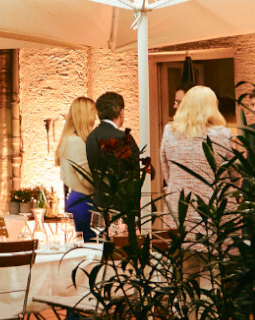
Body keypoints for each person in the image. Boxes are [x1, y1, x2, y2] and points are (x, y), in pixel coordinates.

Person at [158, 85, 235, 228]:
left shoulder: (169, 132)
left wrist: (180, 183)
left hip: (178, 207)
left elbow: (167, 170)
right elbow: (235, 174)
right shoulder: (223, 135)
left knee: (180, 248)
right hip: (215, 208)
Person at [84, 91, 141, 230]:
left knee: (102, 248)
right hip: (121, 211)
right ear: (121, 112)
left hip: (99, 207)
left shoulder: (91, 137)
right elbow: (137, 169)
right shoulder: (122, 138)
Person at [54, 96, 99, 240]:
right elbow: (86, 178)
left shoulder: (69, 139)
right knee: (90, 249)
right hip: (83, 202)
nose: (95, 117)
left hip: (77, 199)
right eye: (93, 113)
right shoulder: (76, 142)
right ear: (85, 115)